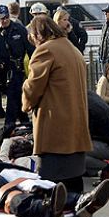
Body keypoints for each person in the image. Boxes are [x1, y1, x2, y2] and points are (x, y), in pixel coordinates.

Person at [22, 15, 92, 194]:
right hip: (76, 127)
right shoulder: (72, 49)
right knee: (74, 181)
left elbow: (33, 87)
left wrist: (25, 103)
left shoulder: (45, 51)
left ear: (37, 35)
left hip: (55, 127)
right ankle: (77, 205)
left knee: (52, 185)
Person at [0, 4, 35, 135]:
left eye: (6, 17)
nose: (4, 20)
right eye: (1, 18)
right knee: (16, 97)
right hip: (1, 70)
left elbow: (30, 49)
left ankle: (8, 125)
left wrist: (33, 66)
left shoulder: (19, 29)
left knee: (13, 97)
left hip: (16, 69)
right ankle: (24, 121)